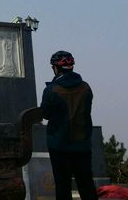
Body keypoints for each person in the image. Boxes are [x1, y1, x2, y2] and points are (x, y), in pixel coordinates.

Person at [40, 51, 98, 200]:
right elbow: (87, 110)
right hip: (82, 144)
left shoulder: (51, 90)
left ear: (55, 68)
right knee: (86, 185)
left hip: (59, 145)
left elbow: (45, 114)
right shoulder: (86, 87)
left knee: (63, 186)